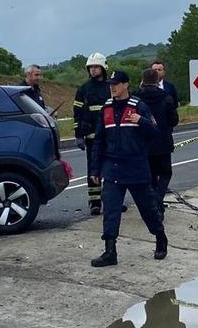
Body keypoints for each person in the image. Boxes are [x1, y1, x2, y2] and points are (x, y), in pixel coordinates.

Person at [89, 71, 167, 267]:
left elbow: (155, 133)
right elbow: (98, 141)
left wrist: (141, 121)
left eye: (116, 84)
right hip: (112, 168)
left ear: (125, 85)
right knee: (111, 211)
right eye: (110, 84)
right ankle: (110, 251)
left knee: (147, 208)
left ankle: (160, 238)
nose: (112, 87)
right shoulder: (106, 109)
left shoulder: (138, 106)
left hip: (136, 168)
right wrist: (95, 170)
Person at [134, 69, 179, 216]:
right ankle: (158, 199)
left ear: (143, 80)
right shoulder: (166, 97)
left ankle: (154, 204)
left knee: (150, 176)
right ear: (157, 81)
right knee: (165, 173)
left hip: (143, 143)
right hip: (163, 142)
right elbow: (174, 120)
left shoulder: (136, 98)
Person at [73, 53, 111, 216]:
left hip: (110, 135)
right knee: (93, 170)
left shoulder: (110, 86)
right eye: (91, 67)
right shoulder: (84, 89)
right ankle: (95, 203)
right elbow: (77, 112)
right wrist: (78, 135)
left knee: (111, 169)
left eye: (96, 67)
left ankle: (111, 200)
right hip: (91, 137)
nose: (93, 70)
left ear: (103, 68)